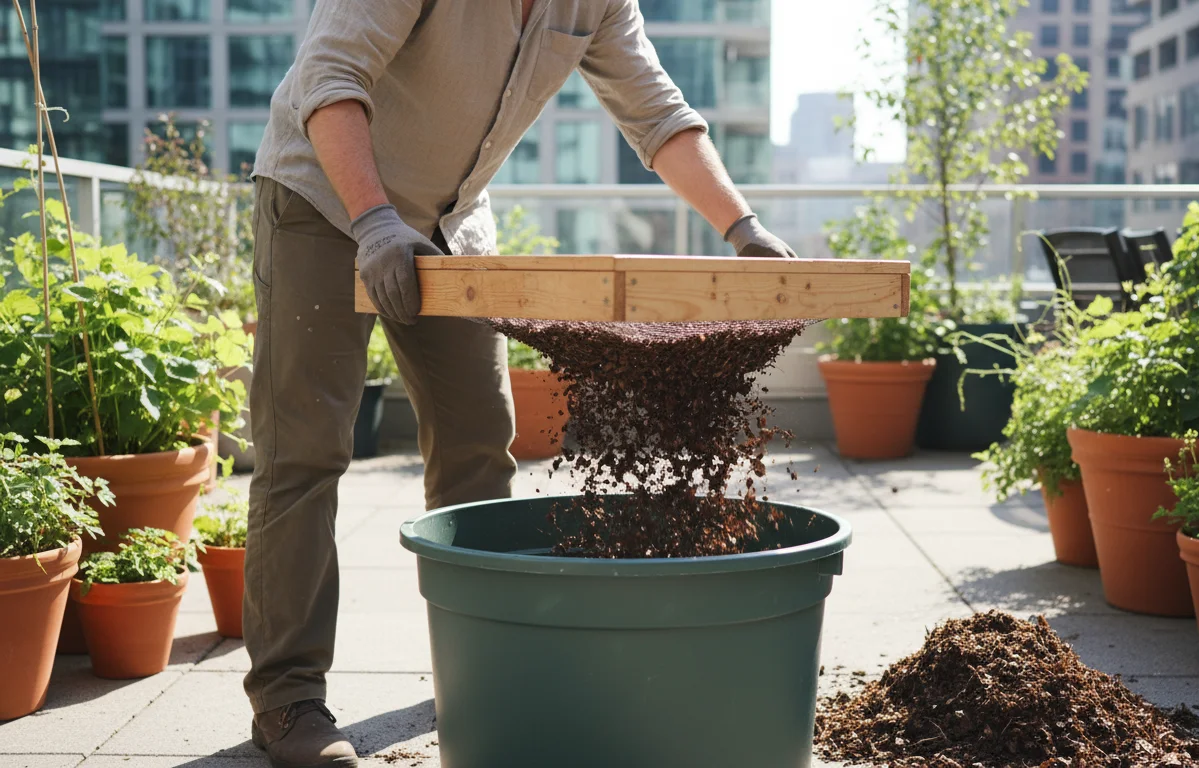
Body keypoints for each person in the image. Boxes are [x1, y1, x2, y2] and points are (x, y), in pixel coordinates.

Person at [243, 1, 797, 765]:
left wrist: (744, 232)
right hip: (325, 200)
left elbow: (658, 113)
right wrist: (372, 221)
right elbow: (328, 72)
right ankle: (287, 699)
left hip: (450, 223)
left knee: (477, 440)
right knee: (304, 452)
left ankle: (480, 668)